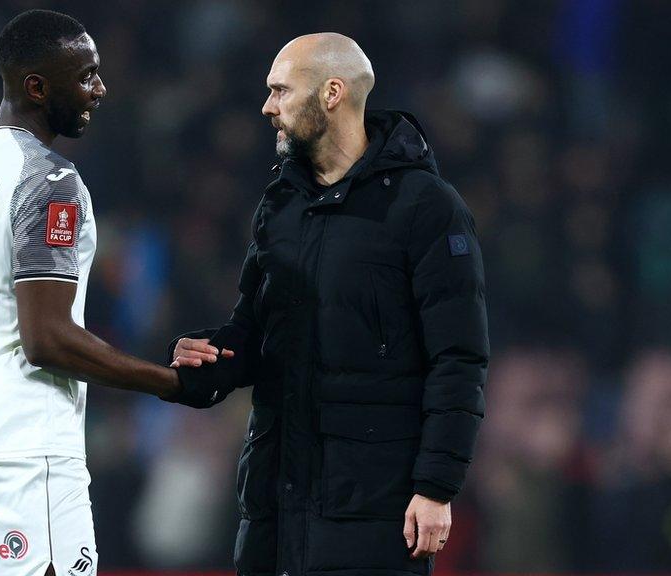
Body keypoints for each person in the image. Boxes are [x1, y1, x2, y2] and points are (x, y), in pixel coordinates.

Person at [0, 10, 225, 576]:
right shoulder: (48, 180)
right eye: (86, 76)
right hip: (25, 447)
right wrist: (169, 384)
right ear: (37, 87)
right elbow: (46, 340)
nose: (100, 88)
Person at [170, 33, 489, 575]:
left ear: (332, 93)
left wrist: (436, 487)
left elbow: (458, 358)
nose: (267, 107)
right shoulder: (281, 205)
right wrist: (210, 358)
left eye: (280, 91)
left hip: (372, 506)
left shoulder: (425, 207)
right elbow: (254, 331)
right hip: (275, 499)